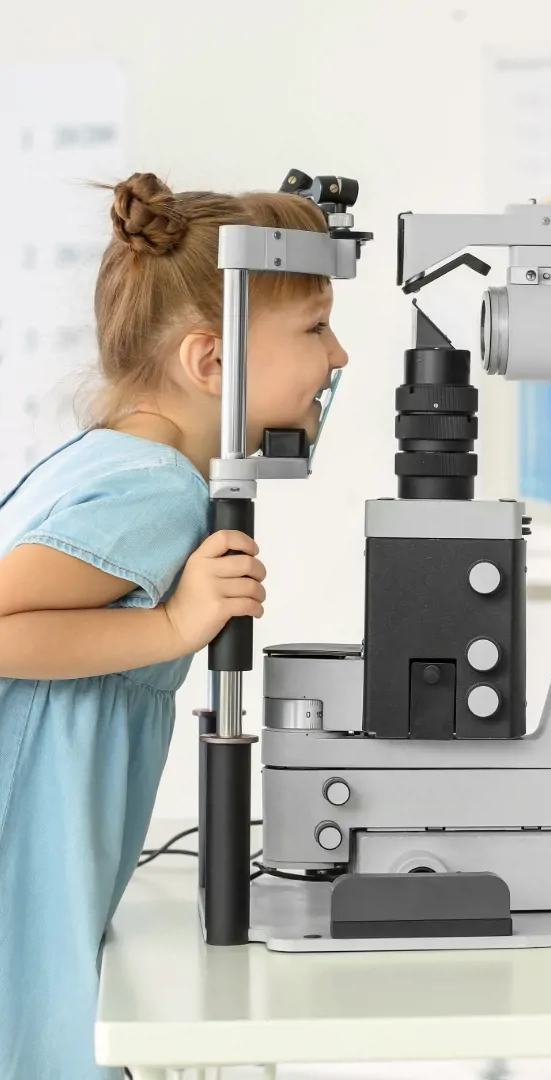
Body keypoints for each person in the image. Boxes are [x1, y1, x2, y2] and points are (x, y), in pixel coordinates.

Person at [0, 172, 349, 1080]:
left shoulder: (112, 458)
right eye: (314, 327)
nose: (339, 354)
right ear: (211, 361)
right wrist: (170, 628)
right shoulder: (155, 485)